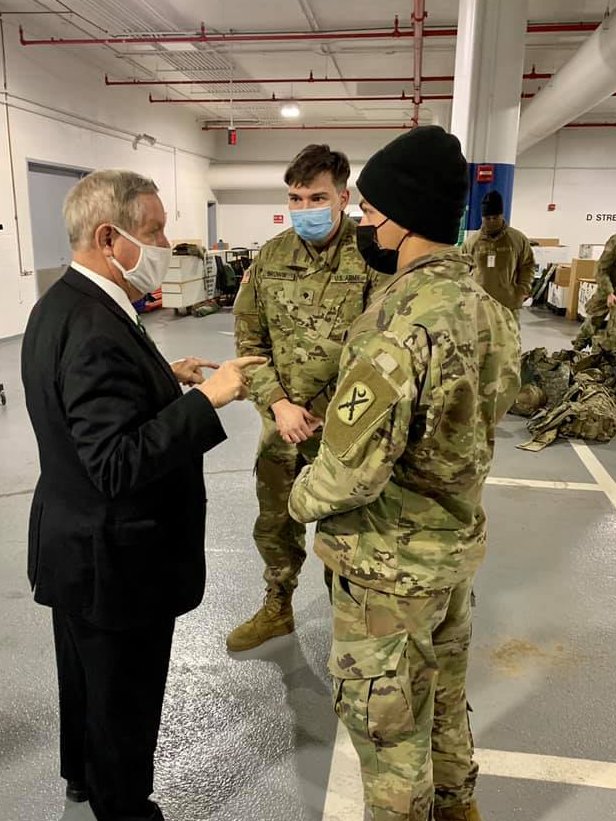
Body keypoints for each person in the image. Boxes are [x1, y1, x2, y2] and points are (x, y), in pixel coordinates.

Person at [288, 127, 521, 821]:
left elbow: (352, 470)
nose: (361, 220)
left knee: (390, 734)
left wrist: (300, 494)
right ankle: (459, 807)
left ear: (402, 215)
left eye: (368, 209)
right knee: (445, 700)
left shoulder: (396, 321)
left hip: (388, 573)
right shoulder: (490, 311)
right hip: (451, 556)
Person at [21, 169, 264, 821]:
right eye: (154, 230)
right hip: (116, 562)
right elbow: (116, 461)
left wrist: (165, 376)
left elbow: (91, 414)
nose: (165, 241)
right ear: (110, 236)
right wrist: (209, 399)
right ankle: (124, 806)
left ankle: (83, 778)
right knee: (125, 704)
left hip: (74, 547)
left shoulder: (65, 303)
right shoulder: (96, 328)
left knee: (86, 685)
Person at [227, 144, 384, 652]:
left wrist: (316, 412)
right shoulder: (271, 257)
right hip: (282, 424)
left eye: (316, 197)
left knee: (350, 529)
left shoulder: (374, 258)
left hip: (347, 428)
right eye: (295, 198)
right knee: (275, 521)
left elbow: (382, 354)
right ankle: (278, 606)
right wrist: (279, 406)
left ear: (344, 197)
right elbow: (250, 346)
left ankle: (351, 621)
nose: (304, 209)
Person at [461, 189, 535, 312]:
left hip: (508, 305)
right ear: (482, 217)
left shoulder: (517, 239)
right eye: (487, 218)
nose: (491, 221)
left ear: (502, 215)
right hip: (479, 305)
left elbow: (527, 265)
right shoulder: (471, 242)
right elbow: (462, 271)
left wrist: (523, 290)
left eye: (495, 217)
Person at [572, 233, 616, 350]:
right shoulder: (614, 241)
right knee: (593, 321)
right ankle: (576, 350)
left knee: (613, 331)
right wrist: (609, 292)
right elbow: (601, 270)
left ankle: (608, 355)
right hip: (609, 287)